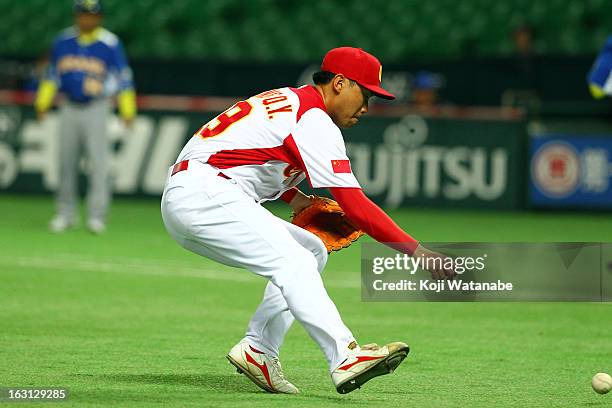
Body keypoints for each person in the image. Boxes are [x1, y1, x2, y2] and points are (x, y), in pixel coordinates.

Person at [161, 47, 454, 394]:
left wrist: (296, 198)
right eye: (366, 94)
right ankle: (346, 357)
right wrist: (418, 252)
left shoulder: (288, 99)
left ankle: (259, 350)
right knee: (295, 260)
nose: (367, 107)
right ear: (340, 83)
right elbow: (356, 207)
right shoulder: (313, 119)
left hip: (197, 191)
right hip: (206, 194)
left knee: (311, 250)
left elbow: (247, 154)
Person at [35, 0, 136, 234]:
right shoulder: (63, 41)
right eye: (82, 15)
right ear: (76, 16)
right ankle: (64, 213)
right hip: (69, 106)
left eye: (91, 15)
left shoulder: (109, 43)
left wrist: (127, 110)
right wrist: (42, 102)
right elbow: (52, 75)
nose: (86, 19)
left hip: (97, 107)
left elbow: (123, 78)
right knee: (65, 162)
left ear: (99, 18)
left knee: (99, 163)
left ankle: (96, 216)